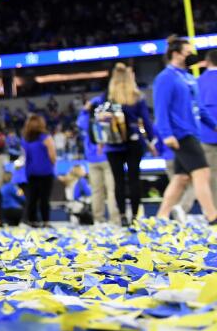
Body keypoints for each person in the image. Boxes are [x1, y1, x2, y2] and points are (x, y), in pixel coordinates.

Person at [154, 36, 217, 223]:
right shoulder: (165, 77)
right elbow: (161, 108)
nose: (192, 56)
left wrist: (213, 125)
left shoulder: (189, 77)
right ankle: (212, 215)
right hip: (180, 134)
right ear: (176, 54)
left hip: (193, 131)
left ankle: (161, 216)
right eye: (188, 53)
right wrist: (166, 134)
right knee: (203, 172)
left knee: (181, 178)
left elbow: (200, 107)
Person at [93, 63, 156, 225]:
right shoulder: (136, 96)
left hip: (113, 145)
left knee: (118, 181)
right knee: (134, 179)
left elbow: (98, 120)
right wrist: (152, 140)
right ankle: (135, 216)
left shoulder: (107, 96)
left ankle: (122, 215)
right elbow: (146, 122)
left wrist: (100, 140)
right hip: (134, 142)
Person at [77, 99, 118, 225]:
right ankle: (115, 219)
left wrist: (87, 106)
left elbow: (80, 119)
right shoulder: (107, 117)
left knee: (96, 191)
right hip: (107, 158)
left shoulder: (86, 121)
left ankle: (98, 219)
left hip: (92, 160)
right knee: (112, 190)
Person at [22, 114, 56, 227]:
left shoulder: (25, 140)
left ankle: (32, 220)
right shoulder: (45, 137)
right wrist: (52, 164)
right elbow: (52, 155)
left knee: (32, 198)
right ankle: (46, 221)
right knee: (44, 199)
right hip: (46, 172)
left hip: (31, 172)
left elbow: (26, 156)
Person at [200, 50, 217, 206]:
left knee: (212, 175)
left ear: (207, 61)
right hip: (209, 132)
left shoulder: (198, 81)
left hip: (207, 135)